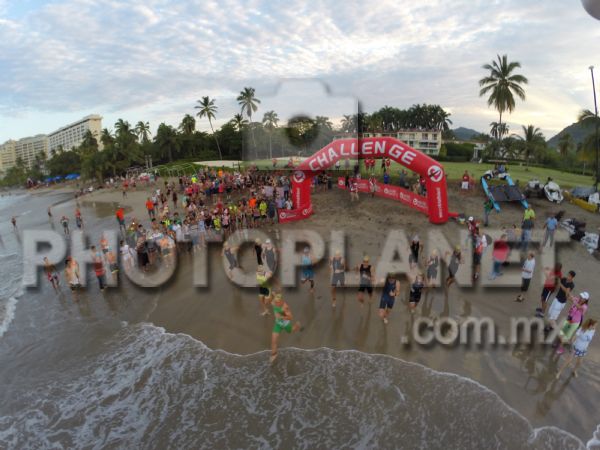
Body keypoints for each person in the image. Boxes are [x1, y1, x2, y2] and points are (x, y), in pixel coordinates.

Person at [270, 293, 302, 363]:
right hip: (278, 324)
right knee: (274, 340)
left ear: (281, 301)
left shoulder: (285, 307)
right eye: (275, 301)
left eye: (278, 302)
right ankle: (274, 354)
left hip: (285, 324)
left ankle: (297, 326)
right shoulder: (274, 303)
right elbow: (273, 298)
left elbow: (290, 317)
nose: (276, 303)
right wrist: (273, 294)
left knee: (291, 330)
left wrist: (281, 317)